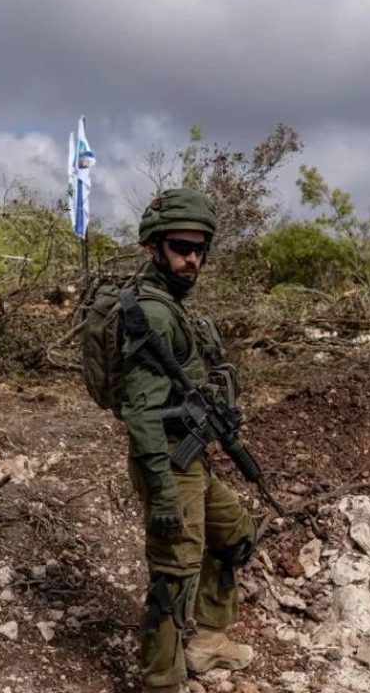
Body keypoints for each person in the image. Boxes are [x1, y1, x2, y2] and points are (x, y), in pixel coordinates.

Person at [121, 188, 257, 693]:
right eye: (181, 247)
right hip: (166, 461)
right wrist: (160, 491)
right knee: (173, 574)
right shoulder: (153, 314)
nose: (192, 258)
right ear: (154, 247)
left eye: (200, 249)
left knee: (233, 535)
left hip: (191, 455)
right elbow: (140, 411)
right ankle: (161, 682)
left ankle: (209, 641)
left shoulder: (176, 308)